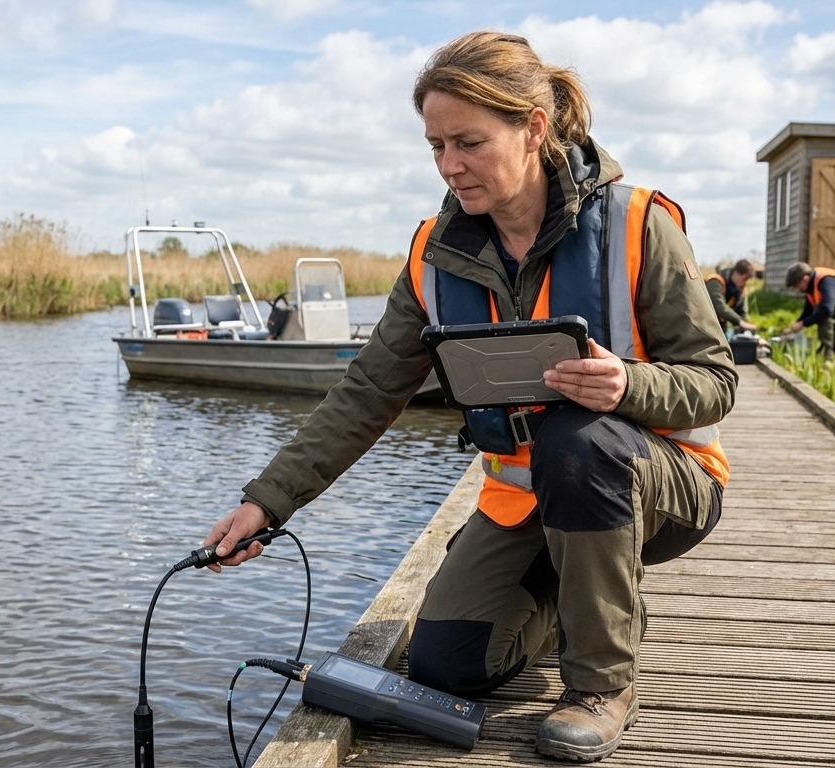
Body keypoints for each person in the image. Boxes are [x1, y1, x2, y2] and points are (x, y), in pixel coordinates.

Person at [200, 32, 735, 763]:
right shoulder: (431, 252)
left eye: (470, 143)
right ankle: (573, 588)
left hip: (662, 485)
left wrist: (627, 384)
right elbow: (365, 395)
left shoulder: (642, 224)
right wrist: (268, 503)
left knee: (579, 441)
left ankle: (601, 685)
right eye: (436, 146)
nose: (451, 166)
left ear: (534, 129)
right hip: (525, 503)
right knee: (445, 665)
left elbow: (715, 383)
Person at [705, 259, 757, 334]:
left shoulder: (740, 289)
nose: (745, 283)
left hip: (722, 326)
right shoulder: (715, 282)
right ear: (735, 273)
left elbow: (742, 311)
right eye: (744, 279)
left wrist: (749, 330)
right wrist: (740, 322)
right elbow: (719, 307)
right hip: (705, 325)